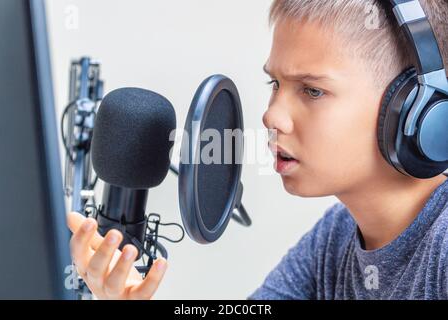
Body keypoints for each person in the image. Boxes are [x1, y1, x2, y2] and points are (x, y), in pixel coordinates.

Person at [67, 0, 448, 299]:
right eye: (275, 84)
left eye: (312, 90)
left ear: (414, 109)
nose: (272, 116)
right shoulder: (334, 239)